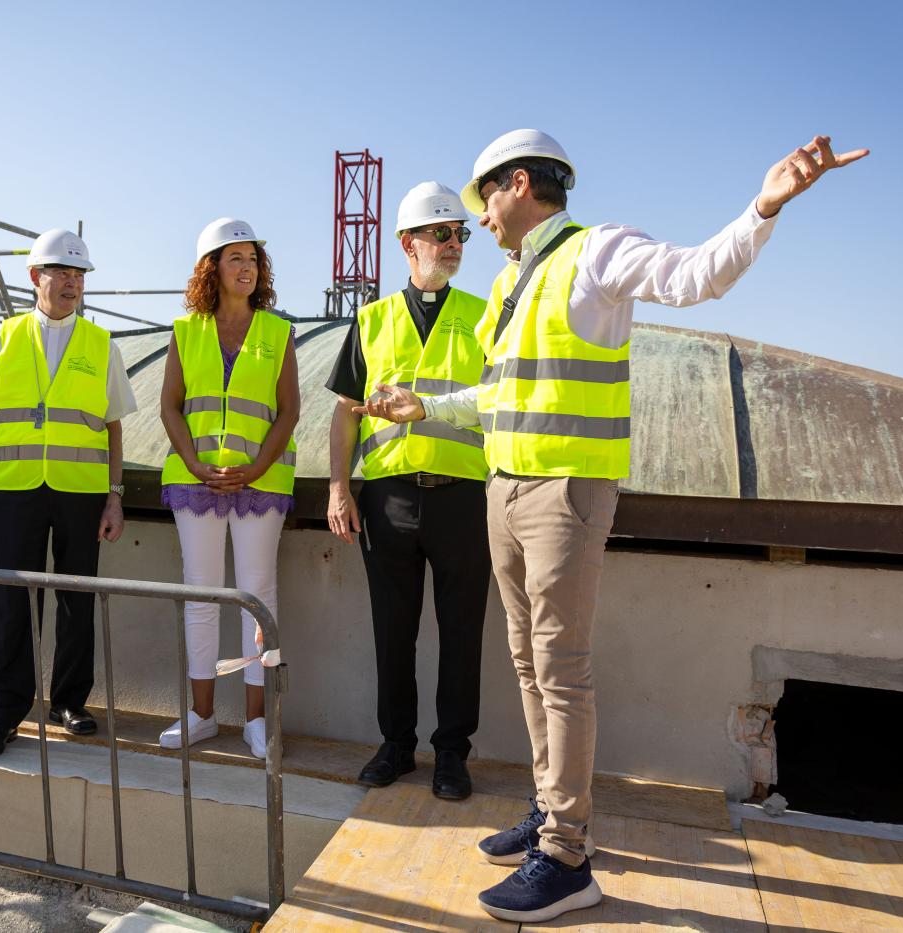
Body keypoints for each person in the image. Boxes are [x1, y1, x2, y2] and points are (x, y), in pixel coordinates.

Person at [358, 131, 868, 923]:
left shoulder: (597, 252)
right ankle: (549, 806)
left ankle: (566, 856)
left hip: (566, 495)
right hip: (506, 488)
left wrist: (764, 206)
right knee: (529, 665)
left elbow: (698, 275)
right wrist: (422, 404)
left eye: (483, 200)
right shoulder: (509, 286)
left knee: (560, 669)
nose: (478, 221)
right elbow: (495, 400)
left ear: (518, 184)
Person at [325, 183, 491, 800]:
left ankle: (452, 753)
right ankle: (396, 745)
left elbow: (500, 404)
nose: (452, 246)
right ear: (407, 243)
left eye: (460, 236)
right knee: (392, 629)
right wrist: (340, 488)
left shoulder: (482, 314)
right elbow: (345, 415)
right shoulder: (370, 320)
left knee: (461, 630)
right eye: (440, 234)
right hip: (388, 502)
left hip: (463, 499)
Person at [0, 228, 135, 758]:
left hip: (81, 492)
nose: (71, 283)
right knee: (10, 601)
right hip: (14, 490)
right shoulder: (3, 338)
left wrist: (114, 495)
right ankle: (5, 711)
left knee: (75, 599)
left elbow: (111, 426)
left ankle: (69, 702)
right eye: (61, 272)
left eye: (78, 275)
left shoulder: (101, 344)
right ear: (35, 277)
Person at [157, 218, 299, 759]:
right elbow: (170, 405)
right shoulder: (185, 330)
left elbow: (290, 410)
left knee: (258, 599)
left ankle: (258, 722)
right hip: (197, 483)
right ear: (210, 267)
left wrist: (261, 465)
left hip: (261, 484)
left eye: (253, 259)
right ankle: (201, 715)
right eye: (235, 257)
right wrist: (193, 463)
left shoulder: (277, 331)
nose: (247, 268)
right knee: (202, 594)